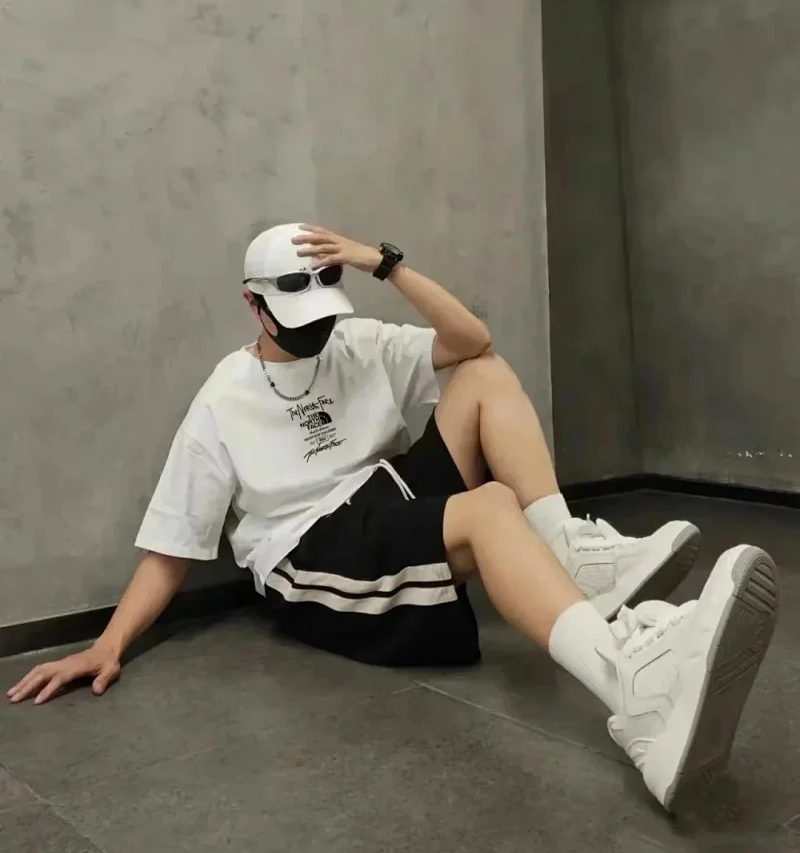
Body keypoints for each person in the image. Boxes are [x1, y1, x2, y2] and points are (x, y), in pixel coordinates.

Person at [7, 223, 779, 814]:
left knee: (483, 374)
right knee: (489, 506)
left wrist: (385, 263)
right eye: (294, 311)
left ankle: (571, 552)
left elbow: (472, 340)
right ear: (252, 302)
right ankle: (630, 693)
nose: (315, 327)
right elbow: (171, 547)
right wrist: (107, 644)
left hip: (382, 498)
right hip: (313, 550)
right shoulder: (223, 399)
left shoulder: (354, 340)